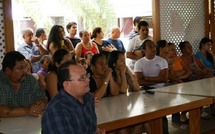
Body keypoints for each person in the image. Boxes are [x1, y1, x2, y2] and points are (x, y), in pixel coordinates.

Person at [42, 61, 105, 134]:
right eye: (82, 78)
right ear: (67, 85)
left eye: (87, 75)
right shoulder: (56, 110)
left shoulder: (88, 98)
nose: (88, 79)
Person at [134, 40, 169, 134]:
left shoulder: (162, 61)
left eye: (154, 46)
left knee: (161, 115)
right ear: (144, 49)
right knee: (146, 114)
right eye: (150, 47)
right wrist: (156, 79)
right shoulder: (139, 63)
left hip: (161, 90)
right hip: (145, 91)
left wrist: (147, 78)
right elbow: (140, 82)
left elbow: (164, 79)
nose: (153, 48)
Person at [0, 51, 48, 118]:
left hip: (29, 124)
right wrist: (27, 110)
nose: (25, 70)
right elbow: (2, 111)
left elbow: (44, 99)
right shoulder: (1, 81)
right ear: (8, 71)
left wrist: (41, 104)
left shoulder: (30, 80)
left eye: (25, 66)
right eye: (20, 68)